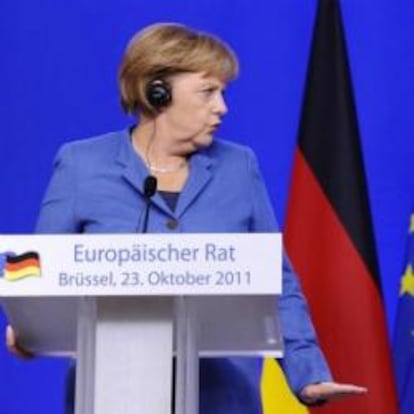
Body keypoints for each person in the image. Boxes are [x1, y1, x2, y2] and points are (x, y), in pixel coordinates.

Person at [6, 22, 367, 413]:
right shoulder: (81, 165)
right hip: (112, 391)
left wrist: (305, 373)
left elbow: (275, 281)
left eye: (223, 93)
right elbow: (42, 278)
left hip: (223, 396)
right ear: (156, 92)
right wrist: (30, 332)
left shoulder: (238, 167)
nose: (222, 107)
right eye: (208, 92)